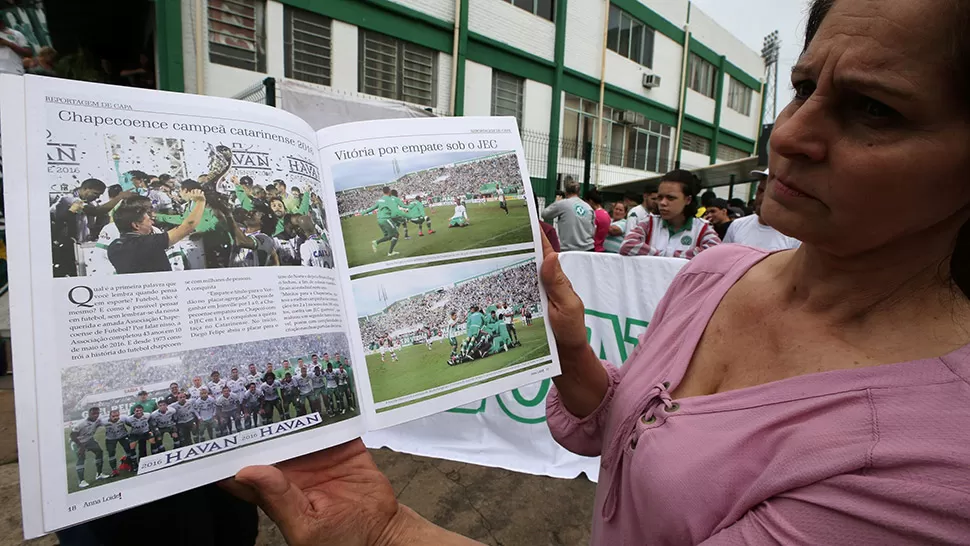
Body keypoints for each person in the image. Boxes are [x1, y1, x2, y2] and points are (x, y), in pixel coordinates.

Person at [226, 3, 970, 543]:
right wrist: (573, 352)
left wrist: (387, 532)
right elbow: (636, 436)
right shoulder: (723, 272)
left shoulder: (935, 461)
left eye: (874, 109)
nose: (794, 134)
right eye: (804, 89)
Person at [619, 169, 721, 259]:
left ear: (688, 200)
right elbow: (627, 245)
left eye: (671, 198)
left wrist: (667, 256)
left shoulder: (702, 229)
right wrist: (667, 256)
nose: (662, 203)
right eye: (660, 197)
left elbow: (715, 254)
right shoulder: (648, 223)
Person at [107, 189, 207, 274]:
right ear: (136, 225)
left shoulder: (113, 247)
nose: (152, 221)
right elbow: (187, 226)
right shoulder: (147, 243)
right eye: (148, 219)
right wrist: (200, 201)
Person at [723, 168, 802, 251]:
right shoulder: (737, 226)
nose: (761, 198)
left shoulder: (794, 237)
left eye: (770, 193)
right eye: (760, 190)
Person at [540, 179, 594, 251]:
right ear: (579, 192)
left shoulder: (562, 204)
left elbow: (544, 214)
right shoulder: (588, 207)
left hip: (569, 249)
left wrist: (556, 202)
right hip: (588, 248)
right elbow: (593, 231)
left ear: (565, 192)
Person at [70, 407, 109, 488]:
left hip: (89, 440)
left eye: (97, 413)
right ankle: (81, 481)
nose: (95, 415)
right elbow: (73, 435)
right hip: (77, 442)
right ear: (89, 413)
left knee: (99, 451)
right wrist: (81, 446)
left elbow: (106, 422)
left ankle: (99, 474)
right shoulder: (81, 423)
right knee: (81, 458)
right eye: (93, 414)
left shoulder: (98, 420)